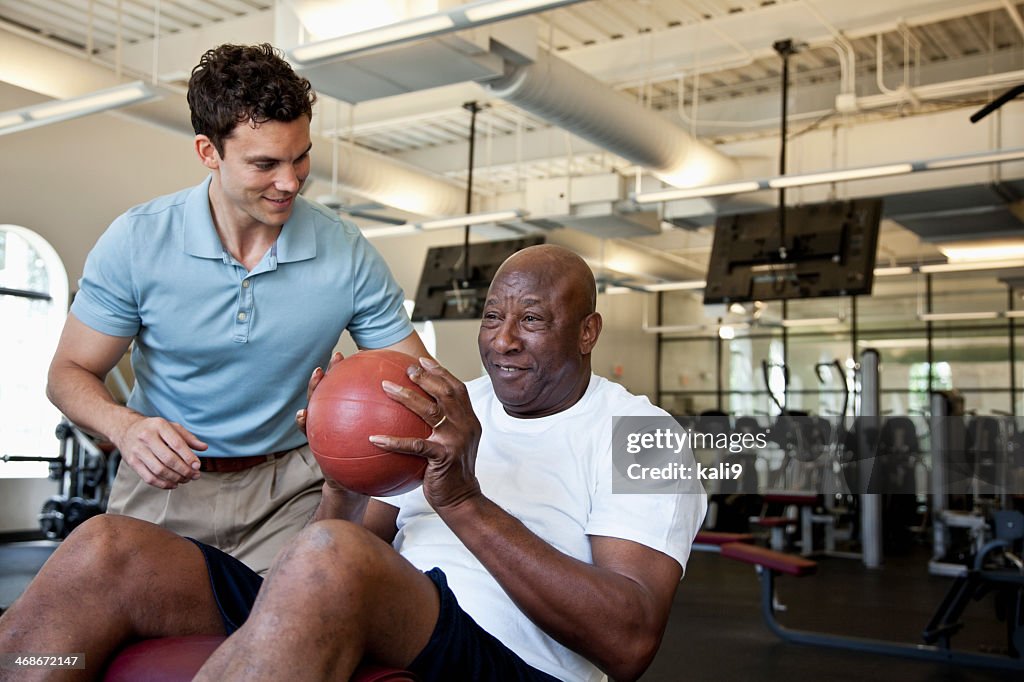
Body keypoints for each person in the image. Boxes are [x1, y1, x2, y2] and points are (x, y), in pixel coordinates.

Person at [1, 245, 705, 682]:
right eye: (493, 318)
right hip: (381, 609)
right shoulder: (449, 402)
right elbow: (347, 547)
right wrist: (339, 481)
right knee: (105, 546)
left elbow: (629, 640)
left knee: (334, 557)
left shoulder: (641, 436)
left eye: (535, 320)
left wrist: (463, 501)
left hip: (511, 661)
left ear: (588, 332)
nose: (504, 341)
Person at [44, 43, 428, 575]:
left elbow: (416, 381)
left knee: (277, 639)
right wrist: (126, 427)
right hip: (164, 485)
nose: (290, 181)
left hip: (290, 489)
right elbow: (68, 374)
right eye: (265, 164)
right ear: (208, 151)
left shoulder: (345, 248)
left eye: (300, 157)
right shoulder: (138, 240)